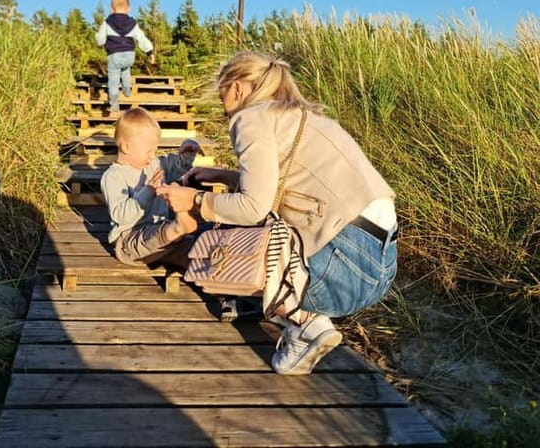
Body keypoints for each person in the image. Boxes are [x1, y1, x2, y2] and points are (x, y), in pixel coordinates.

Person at [157, 51, 398, 375]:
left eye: (222, 93)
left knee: (231, 251)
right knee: (258, 227)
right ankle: (301, 321)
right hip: (380, 265)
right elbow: (279, 186)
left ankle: (305, 322)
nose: (223, 103)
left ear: (239, 88)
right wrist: (224, 177)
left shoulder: (250, 117)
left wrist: (196, 201)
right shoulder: (299, 116)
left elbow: (253, 206)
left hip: (342, 265)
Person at [101, 107, 201, 267]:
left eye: (155, 150)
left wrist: (188, 154)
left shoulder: (153, 164)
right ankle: (178, 227)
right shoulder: (113, 176)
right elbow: (120, 215)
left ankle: (210, 270)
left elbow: (175, 165)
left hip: (162, 235)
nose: (153, 156)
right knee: (162, 235)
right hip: (130, 240)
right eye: (149, 151)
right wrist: (147, 192)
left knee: (193, 251)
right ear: (126, 147)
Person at [95, 0, 155, 112]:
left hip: (114, 55)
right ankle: (127, 88)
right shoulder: (133, 24)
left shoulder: (107, 22)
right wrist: (150, 52)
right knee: (126, 69)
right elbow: (141, 38)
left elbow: (100, 39)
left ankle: (114, 103)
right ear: (128, 8)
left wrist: (100, 42)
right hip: (129, 55)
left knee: (113, 80)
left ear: (111, 9)